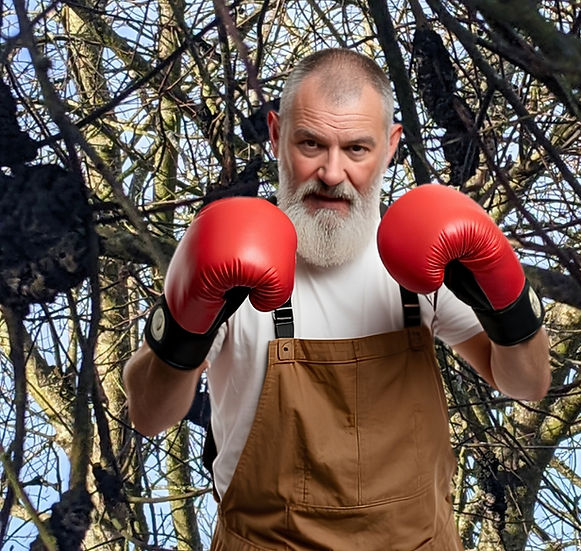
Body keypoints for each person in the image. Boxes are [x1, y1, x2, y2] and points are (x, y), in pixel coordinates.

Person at [122, 48, 551, 550]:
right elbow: (148, 414)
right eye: (311, 144)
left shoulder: (422, 256)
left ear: (390, 147)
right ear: (277, 135)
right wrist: (185, 326)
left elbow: (529, 383)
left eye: (356, 149)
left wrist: (507, 300)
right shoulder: (233, 255)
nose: (331, 172)